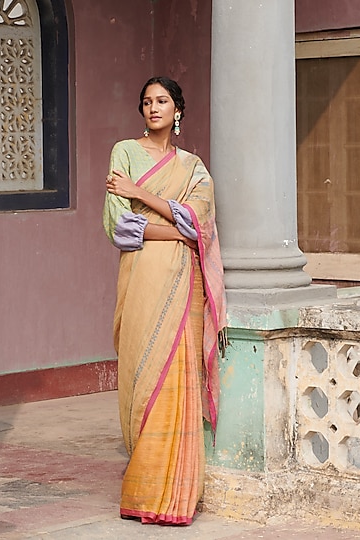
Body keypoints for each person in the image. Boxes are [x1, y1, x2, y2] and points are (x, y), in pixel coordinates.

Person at [103, 76, 227, 525]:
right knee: (140, 371)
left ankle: (170, 494)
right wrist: (173, 227)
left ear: (178, 111)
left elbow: (202, 222)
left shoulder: (193, 167)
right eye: (147, 102)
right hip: (140, 279)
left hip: (183, 284)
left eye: (162, 101)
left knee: (176, 375)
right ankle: (142, 481)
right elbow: (120, 228)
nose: (153, 108)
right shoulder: (125, 152)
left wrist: (140, 196)